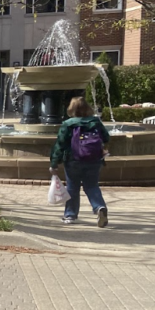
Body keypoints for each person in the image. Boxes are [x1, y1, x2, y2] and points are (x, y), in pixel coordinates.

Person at [50, 97, 110, 227]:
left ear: (71, 109)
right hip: (94, 160)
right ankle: (99, 207)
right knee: (92, 186)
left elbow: (59, 145)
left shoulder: (68, 124)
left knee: (72, 187)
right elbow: (106, 137)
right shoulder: (95, 122)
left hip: (73, 160)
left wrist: (54, 163)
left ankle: (70, 215)